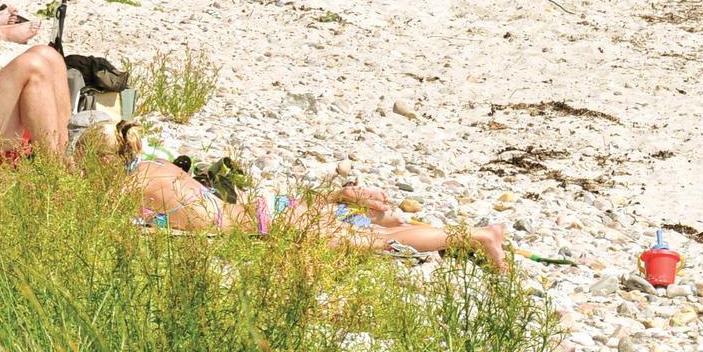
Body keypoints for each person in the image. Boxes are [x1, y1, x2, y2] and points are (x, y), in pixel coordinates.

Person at [84, 123, 510, 270]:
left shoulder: (129, 188)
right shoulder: (154, 166)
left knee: (380, 242)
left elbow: (97, 222)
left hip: (268, 224)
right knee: (378, 231)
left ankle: (478, 236)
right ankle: (348, 203)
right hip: (267, 210)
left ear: (104, 161)